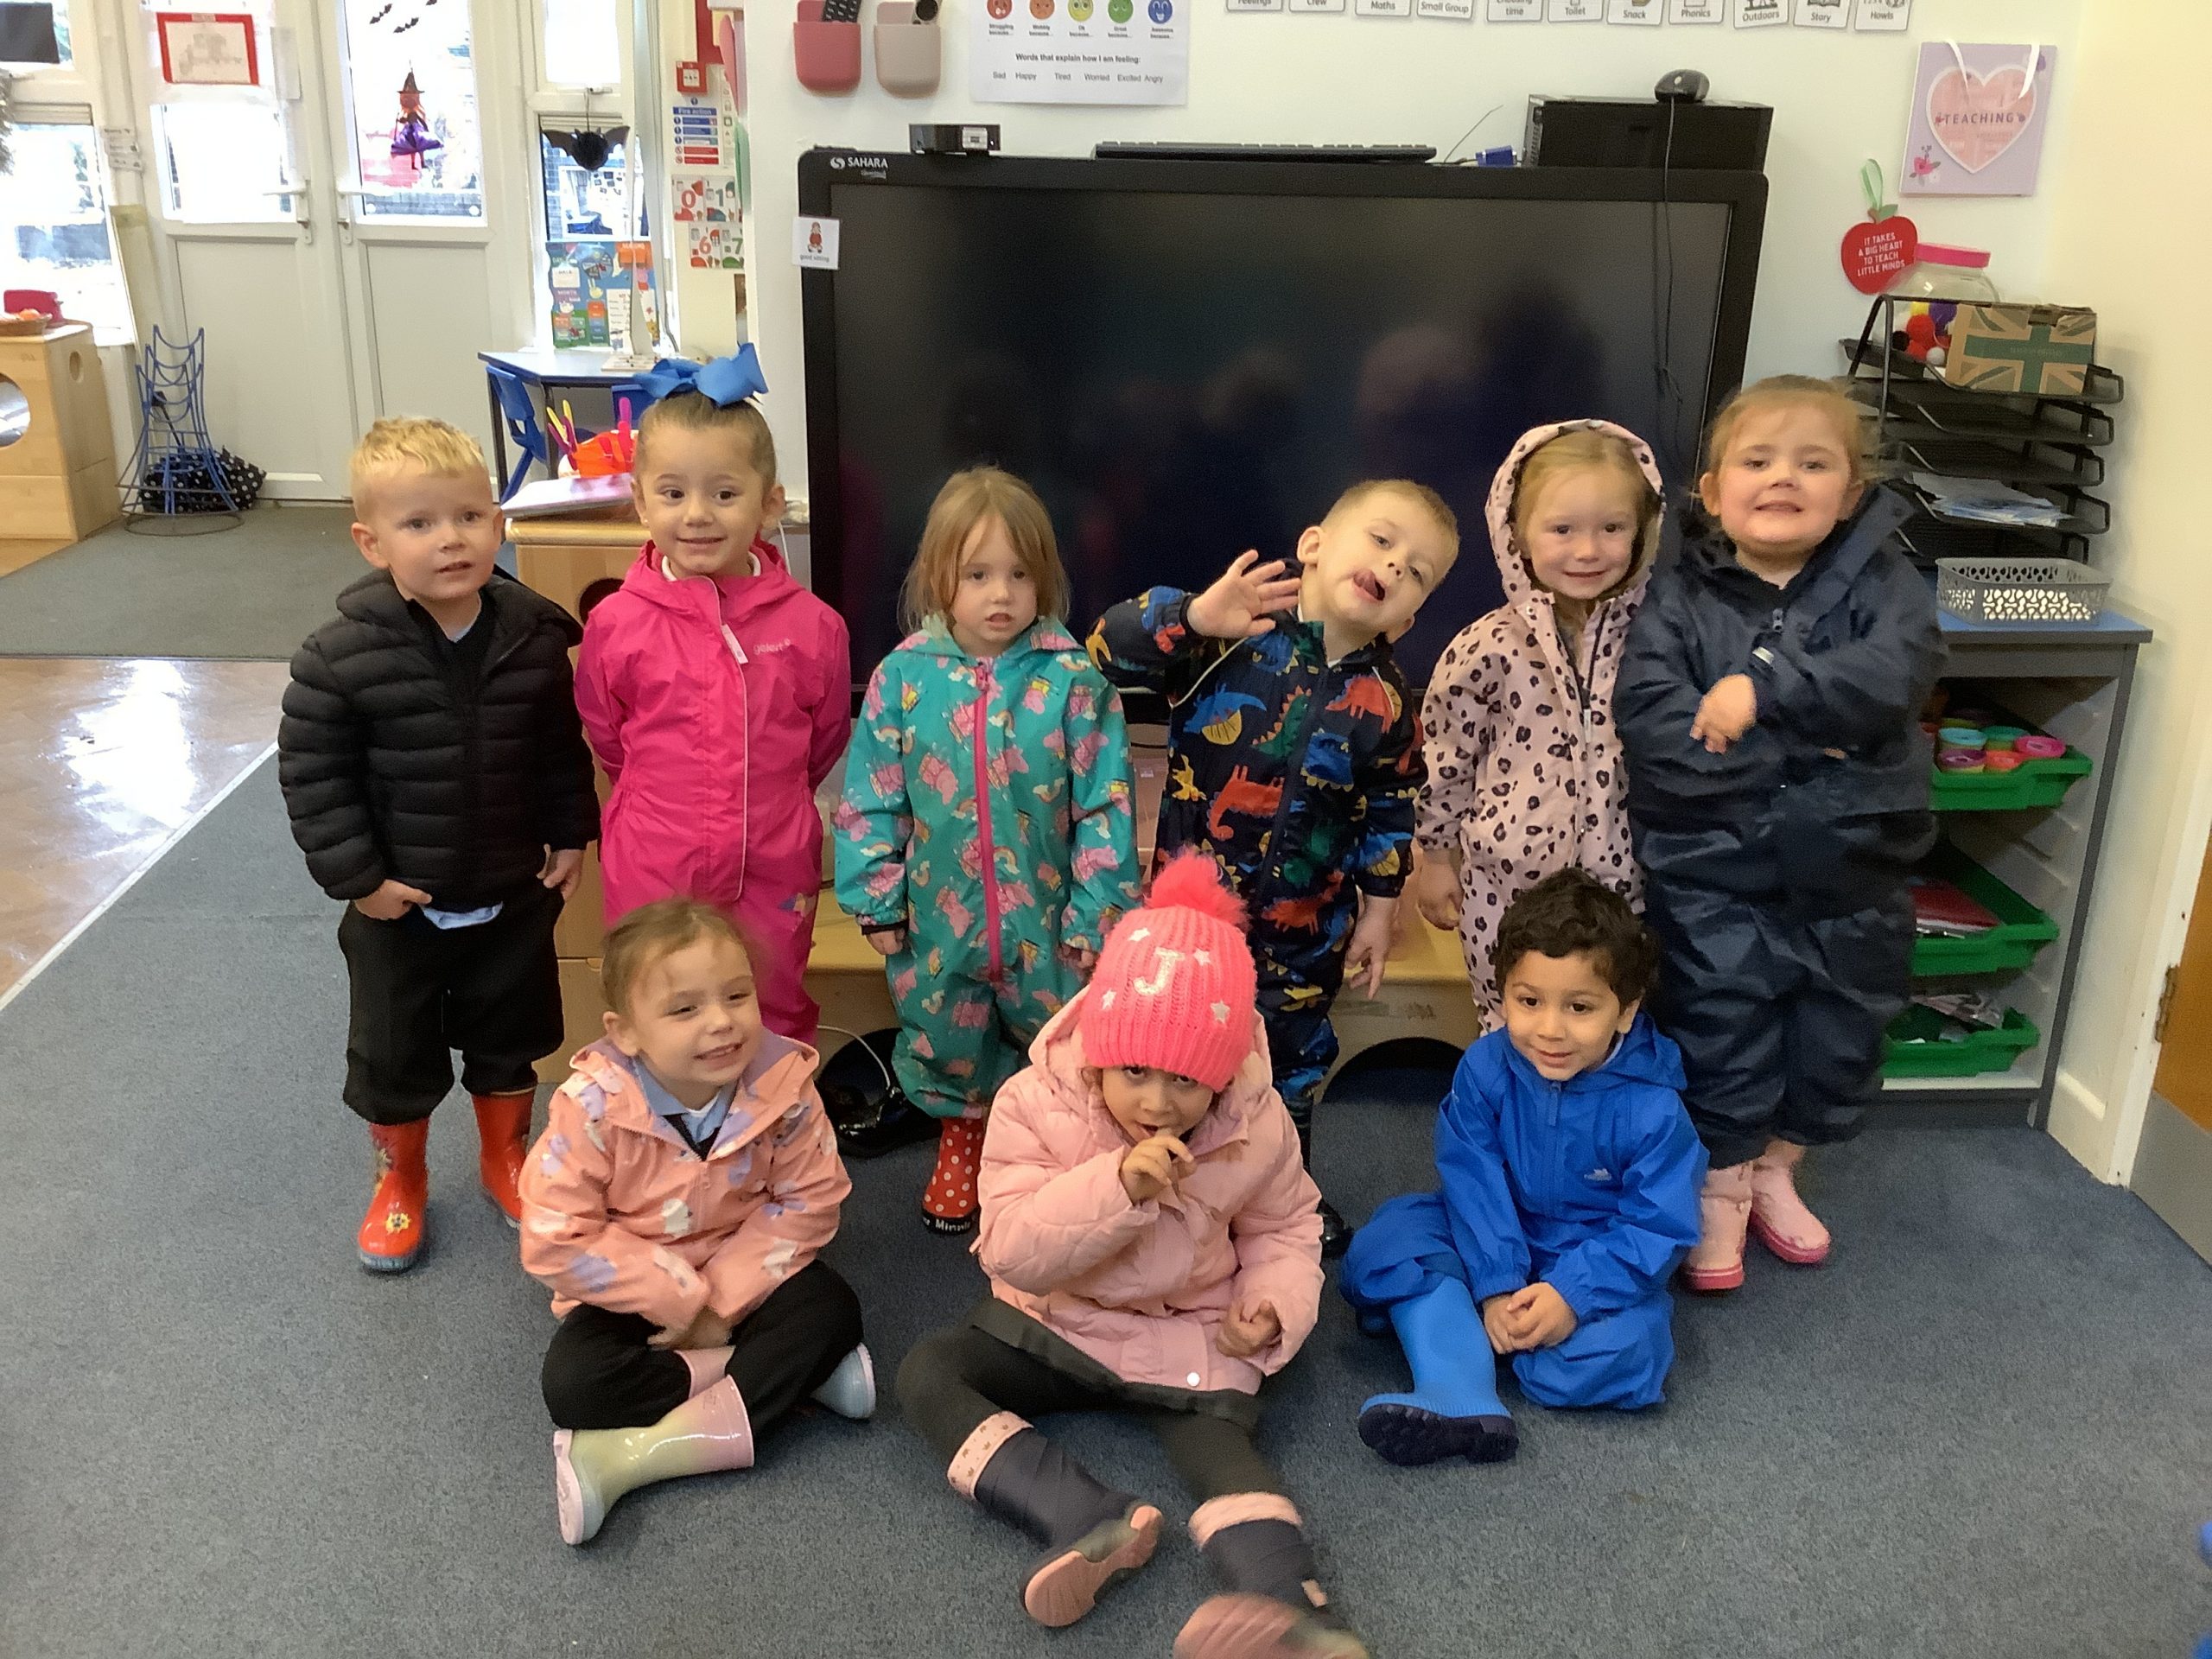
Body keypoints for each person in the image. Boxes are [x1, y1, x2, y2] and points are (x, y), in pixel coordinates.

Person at [896, 856, 1363, 1659]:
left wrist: (1272, 1306)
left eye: (1185, 1081)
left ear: (1221, 1077)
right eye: (1134, 1072)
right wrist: (1115, 1189)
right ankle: (1084, 1517)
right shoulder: (1033, 1101)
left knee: (1223, 1449)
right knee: (929, 1372)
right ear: (1099, 1051)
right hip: (1061, 1321)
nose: (1155, 1102)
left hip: (1193, 1335)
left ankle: (1297, 1613)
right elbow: (1010, 1245)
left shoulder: (1255, 1120)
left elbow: (1285, 1229)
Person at [1615, 375, 1944, 1292]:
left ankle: (1776, 1172)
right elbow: (1654, 727)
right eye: (1757, 461)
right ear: (1712, 492)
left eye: (1812, 462)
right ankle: (1720, 1185)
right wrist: (1820, 760)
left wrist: (1766, 697)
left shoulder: (1887, 587)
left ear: (1849, 488)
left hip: (1854, 871)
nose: (1782, 478)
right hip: (1714, 872)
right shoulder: (1677, 599)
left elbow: (1894, 679)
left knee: (1838, 1035)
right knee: (1722, 1028)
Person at [1089, 480, 1460, 1255]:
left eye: (1418, 572)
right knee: (1166, 1055)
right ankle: (1145, 1185)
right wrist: (1189, 617)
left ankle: (1282, 1199)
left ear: (1413, 615)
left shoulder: (1390, 699)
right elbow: (1100, 652)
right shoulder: (1230, 632)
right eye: (1382, 541)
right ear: (1316, 542)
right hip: (1185, 926)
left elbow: (1391, 804)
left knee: (1288, 1073)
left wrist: (1383, 906)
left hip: (1304, 933)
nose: (1394, 568)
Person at [278, 416, 597, 1273]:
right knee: (395, 1055)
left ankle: (506, 1159)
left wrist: (570, 835)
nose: (450, 539)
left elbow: (559, 751)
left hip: (510, 891)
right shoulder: (337, 659)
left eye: (469, 516)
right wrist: (359, 878)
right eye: (419, 524)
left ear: (499, 523)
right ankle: (401, 1179)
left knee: (512, 1036)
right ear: (370, 541)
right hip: (398, 907)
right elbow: (315, 778)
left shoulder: (537, 639)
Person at [835, 467, 1141, 1233]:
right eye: (978, 574)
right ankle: (963, 1138)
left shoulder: (1074, 681)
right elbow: (872, 793)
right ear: (942, 577)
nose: (999, 594)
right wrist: (875, 894)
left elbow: (1106, 802)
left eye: (1018, 574)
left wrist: (1098, 913)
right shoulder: (903, 677)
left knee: (1056, 1038)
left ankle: (1048, 1154)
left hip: (1049, 917)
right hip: (941, 920)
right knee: (947, 1034)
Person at [518, 899, 870, 1545]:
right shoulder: (590, 1110)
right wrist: (679, 1301)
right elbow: (554, 1235)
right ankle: (793, 1377)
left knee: (834, 1308)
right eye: (684, 1010)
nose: (722, 1024)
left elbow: (810, 1202)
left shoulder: (784, 1086)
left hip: (749, 1281)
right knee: (573, 1387)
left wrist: (720, 1309)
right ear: (625, 1033)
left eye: (737, 996)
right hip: (638, 1289)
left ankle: (627, 1460)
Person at [1343, 870, 1705, 1464]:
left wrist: (1570, 1294)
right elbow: (1471, 1179)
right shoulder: (1487, 1066)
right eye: (1528, 1001)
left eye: (1580, 1007)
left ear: (1627, 1011)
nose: (1550, 1030)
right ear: (1502, 993)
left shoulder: (1654, 1109)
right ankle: (1462, 1388)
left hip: (1589, 1258)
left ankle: (1454, 1337)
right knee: (1383, 1244)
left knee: (1623, 1354)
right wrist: (1497, 1285)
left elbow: (1657, 1227)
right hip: (1491, 1233)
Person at [574, 346, 852, 1045]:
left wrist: (776, 806)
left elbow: (823, 741)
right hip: (654, 857)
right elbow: (609, 737)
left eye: (724, 494)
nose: (697, 515)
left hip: (773, 856)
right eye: (672, 494)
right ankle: (658, 1142)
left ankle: (775, 1138)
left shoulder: (813, 627)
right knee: (655, 998)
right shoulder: (617, 622)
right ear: (640, 502)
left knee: (771, 993)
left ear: (770, 501)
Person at [1410, 422, 1665, 1019]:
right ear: (1518, 535)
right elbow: (1446, 760)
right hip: (1505, 886)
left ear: (1640, 532)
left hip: (1621, 890)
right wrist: (1437, 858)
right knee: (1509, 1019)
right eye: (1562, 529)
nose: (1587, 550)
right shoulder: (1486, 646)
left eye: (1612, 528)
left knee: (1607, 1022)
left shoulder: (1657, 640)